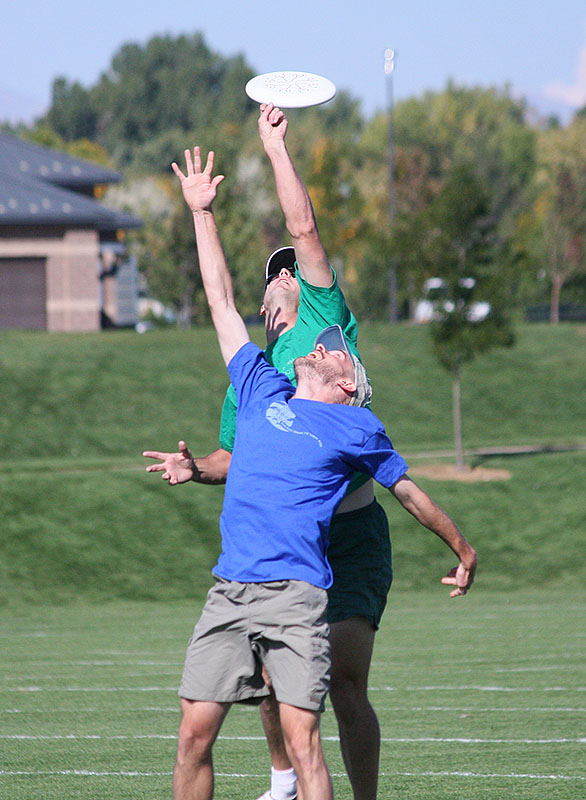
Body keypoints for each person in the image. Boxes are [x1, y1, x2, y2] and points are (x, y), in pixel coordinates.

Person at [143, 103, 472, 800]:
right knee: (257, 701)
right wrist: (196, 467)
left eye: (297, 270)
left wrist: (275, 147)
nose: (292, 272)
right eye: (281, 273)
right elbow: (239, 453)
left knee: (340, 690)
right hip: (277, 547)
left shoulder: (328, 329)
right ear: (269, 293)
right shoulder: (261, 379)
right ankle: (282, 783)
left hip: (343, 536)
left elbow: (302, 227)